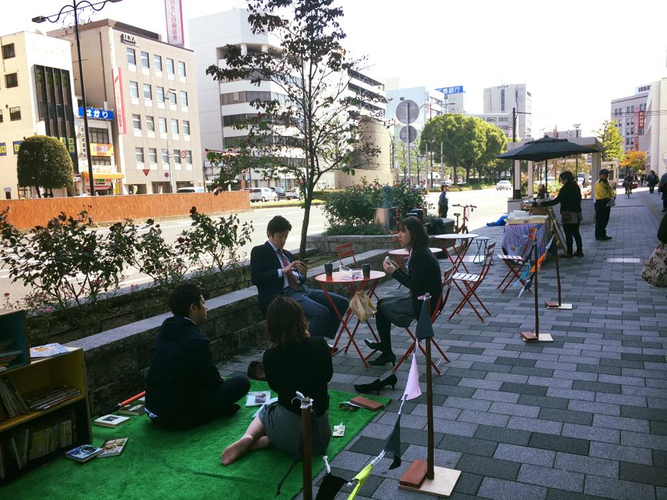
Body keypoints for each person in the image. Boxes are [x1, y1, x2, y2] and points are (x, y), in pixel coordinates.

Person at [221, 296, 333, 465]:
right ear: (301, 319)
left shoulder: (271, 356)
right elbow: (328, 376)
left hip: (287, 432)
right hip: (320, 437)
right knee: (288, 413)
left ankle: (249, 437)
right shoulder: (320, 344)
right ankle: (264, 442)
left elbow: (276, 387)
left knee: (268, 407)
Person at [145, 284, 250, 431]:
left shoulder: (166, 328)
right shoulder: (195, 340)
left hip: (152, 409)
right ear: (194, 308)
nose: (206, 308)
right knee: (241, 382)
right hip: (175, 417)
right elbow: (212, 382)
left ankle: (217, 409)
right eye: (203, 303)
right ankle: (216, 411)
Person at [251, 215, 349, 339]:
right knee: (320, 313)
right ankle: (310, 345)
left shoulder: (286, 254)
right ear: (270, 234)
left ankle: (322, 340)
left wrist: (302, 273)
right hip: (283, 295)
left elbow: (299, 278)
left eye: (286, 236)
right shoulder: (260, 251)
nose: (283, 240)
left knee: (341, 303)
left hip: (302, 290)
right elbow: (256, 278)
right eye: (280, 236)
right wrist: (282, 271)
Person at [364, 217, 441, 366]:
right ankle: (385, 348)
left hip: (423, 307)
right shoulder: (420, 251)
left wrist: (393, 272)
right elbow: (416, 281)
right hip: (427, 301)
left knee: (381, 307)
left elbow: (414, 285)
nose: (399, 235)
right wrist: (398, 270)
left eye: (403, 231)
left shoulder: (419, 255)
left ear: (414, 234)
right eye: (399, 231)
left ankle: (386, 351)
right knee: (381, 304)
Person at [539, 171, 583, 258]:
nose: (561, 181)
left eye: (562, 179)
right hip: (577, 212)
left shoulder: (565, 188)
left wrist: (543, 203)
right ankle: (579, 251)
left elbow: (557, 200)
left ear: (565, 179)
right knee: (576, 232)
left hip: (568, 213)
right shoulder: (576, 186)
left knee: (568, 233)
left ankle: (569, 252)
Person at [594, 168, 616, 241]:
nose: (606, 175)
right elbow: (603, 194)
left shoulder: (607, 182)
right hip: (601, 203)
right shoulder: (599, 184)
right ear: (600, 175)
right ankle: (599, 235)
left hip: (607, 203)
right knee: (600, 220)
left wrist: (613, 196)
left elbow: (611, 190)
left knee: (605, 220)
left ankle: (603, 234)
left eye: (607, 174)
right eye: (604, 174)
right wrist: (610, 198)